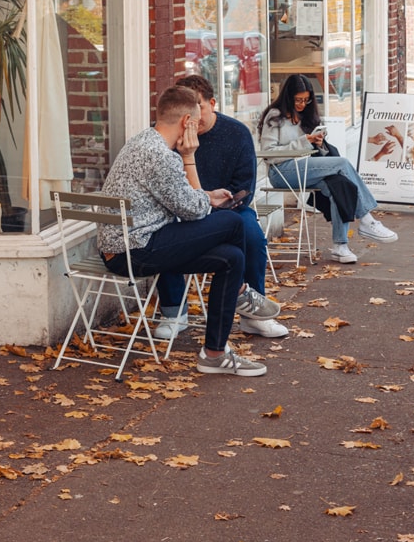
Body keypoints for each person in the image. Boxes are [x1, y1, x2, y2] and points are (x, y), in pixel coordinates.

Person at [99, 84, 281, 377]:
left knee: (232, 258)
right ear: (187, 122)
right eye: (196, 121)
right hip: (133, 251)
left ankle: (214, 353)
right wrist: (191, 161)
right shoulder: (162, 156)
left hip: (130, 244)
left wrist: (206, 196)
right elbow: (193, 211)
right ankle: (242, 291)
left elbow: (186, 200)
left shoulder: (142, 142)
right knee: (235, 222)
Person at [153, 74, 287, 340]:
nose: (191, 118)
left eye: (198, 107)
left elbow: (244, 187)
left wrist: (215, 207)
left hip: (228, 209)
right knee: (164, 229)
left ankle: (253, 314)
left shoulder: (236, 133)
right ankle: (173, 312)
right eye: (186, 110)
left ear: (212, 103)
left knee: (250, 231)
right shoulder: (167, 135)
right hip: (179, 210)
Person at [258, 73, 398, 264]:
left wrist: (318, 143)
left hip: (306, 168)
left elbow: (315, 153)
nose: (301, 104)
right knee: (342, 163)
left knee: (339, 185)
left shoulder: (306, 116)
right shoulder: (275, 116)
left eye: (306, 100)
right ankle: (367, 219)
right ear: (288, 97)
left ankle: (340, 247)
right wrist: (303, 141)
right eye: (298, 100)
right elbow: (268, 153)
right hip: (282, 172)